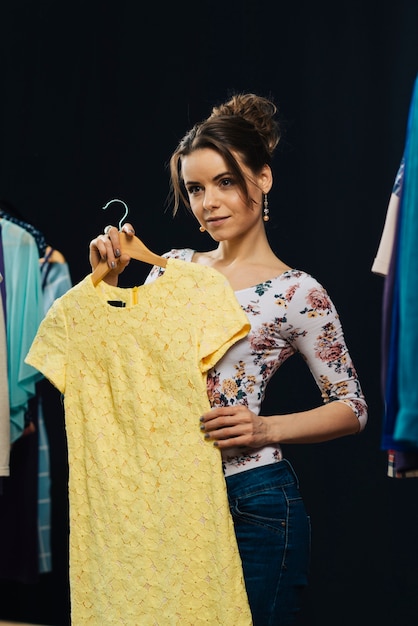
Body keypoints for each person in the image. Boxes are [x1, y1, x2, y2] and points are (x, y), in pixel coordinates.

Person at [89, 92, 368, 625]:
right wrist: (110, 285)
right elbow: (124, 376)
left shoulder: (298, 292)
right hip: (165, 494)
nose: (208, 202)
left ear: (262, 178)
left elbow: (352, 407)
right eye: (195, 189)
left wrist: (266, 429)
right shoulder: (169, 267)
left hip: (253, 499)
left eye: (224, 182)